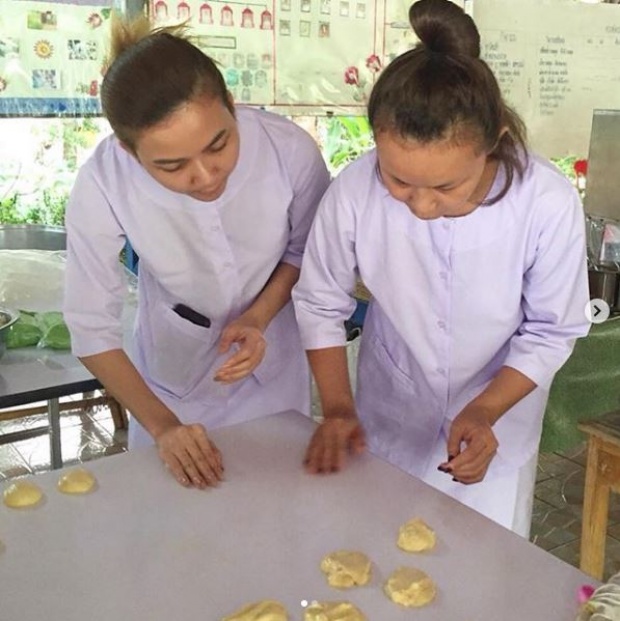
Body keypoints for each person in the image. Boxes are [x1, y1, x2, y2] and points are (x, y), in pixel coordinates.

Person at [292, 0, 590, 536]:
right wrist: (337, 407)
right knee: (380, 558)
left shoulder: (544, 201)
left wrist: (485, 410)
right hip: (392, 412)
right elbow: (318, 302)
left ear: (495, 140)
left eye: (447, 187)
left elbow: (552, 329)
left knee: (479, 573)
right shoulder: (355, 190)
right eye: (398, 181)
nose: (421, 205)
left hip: (498, 424)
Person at [63, 16, 330, 489]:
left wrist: (258, 318)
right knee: (174, 525)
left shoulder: (288, 149)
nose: (205, 176)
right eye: (172, 166)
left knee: (274, 507)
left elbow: (304, 249)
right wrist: (163, 426)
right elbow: (90, 326)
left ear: (231, 104)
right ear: (128, 150)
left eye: (219, 144)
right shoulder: (104, 181)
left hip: (273, 366)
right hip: (171, 377)